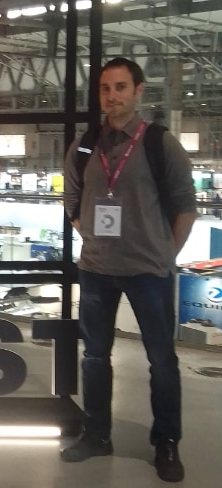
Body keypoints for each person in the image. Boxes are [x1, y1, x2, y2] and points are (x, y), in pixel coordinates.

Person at [62, 57, 196, 482]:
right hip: (97, 270)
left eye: (120, 87)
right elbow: (72, 201)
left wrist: (165, 254)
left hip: (149, 272)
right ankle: (97, 434)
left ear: (138, 91)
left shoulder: (159, 143)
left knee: (162, 361)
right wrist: (94, 239)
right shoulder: (85, 146)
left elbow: (186, 205)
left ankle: (167, 442)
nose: (112, 96)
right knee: (95, 357)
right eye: (105, 88)